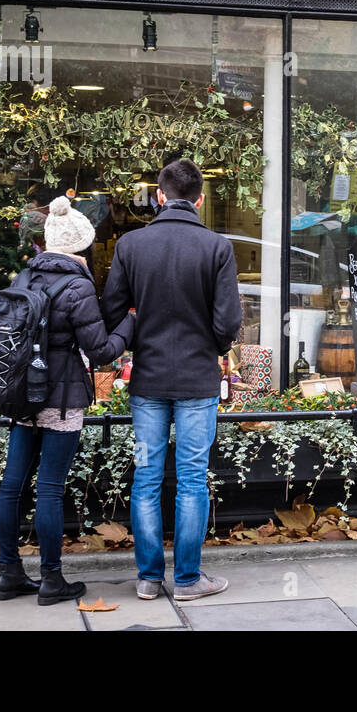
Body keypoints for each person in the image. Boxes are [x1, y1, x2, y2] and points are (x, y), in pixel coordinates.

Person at [103, 158, 242, 601]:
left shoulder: (130, 245)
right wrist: (215, 349)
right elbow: (228, 322)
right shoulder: (217, 247)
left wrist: (134, 333)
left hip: (147, 380)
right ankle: (186, 580)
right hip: (197, 381)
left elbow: (111, 311)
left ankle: (148, 579)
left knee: (146, 476)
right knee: (192, 478)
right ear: (200, 199)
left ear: (160, 196)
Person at [0, 195, 135, 606]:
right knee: (50, 489)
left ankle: (8, 574)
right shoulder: (77, 285)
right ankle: (52, 580)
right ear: (81, 246)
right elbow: (101, 351)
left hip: (21, 394)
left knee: (11, 485)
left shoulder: (24, 278)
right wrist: (129, 322)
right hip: (60, 397)